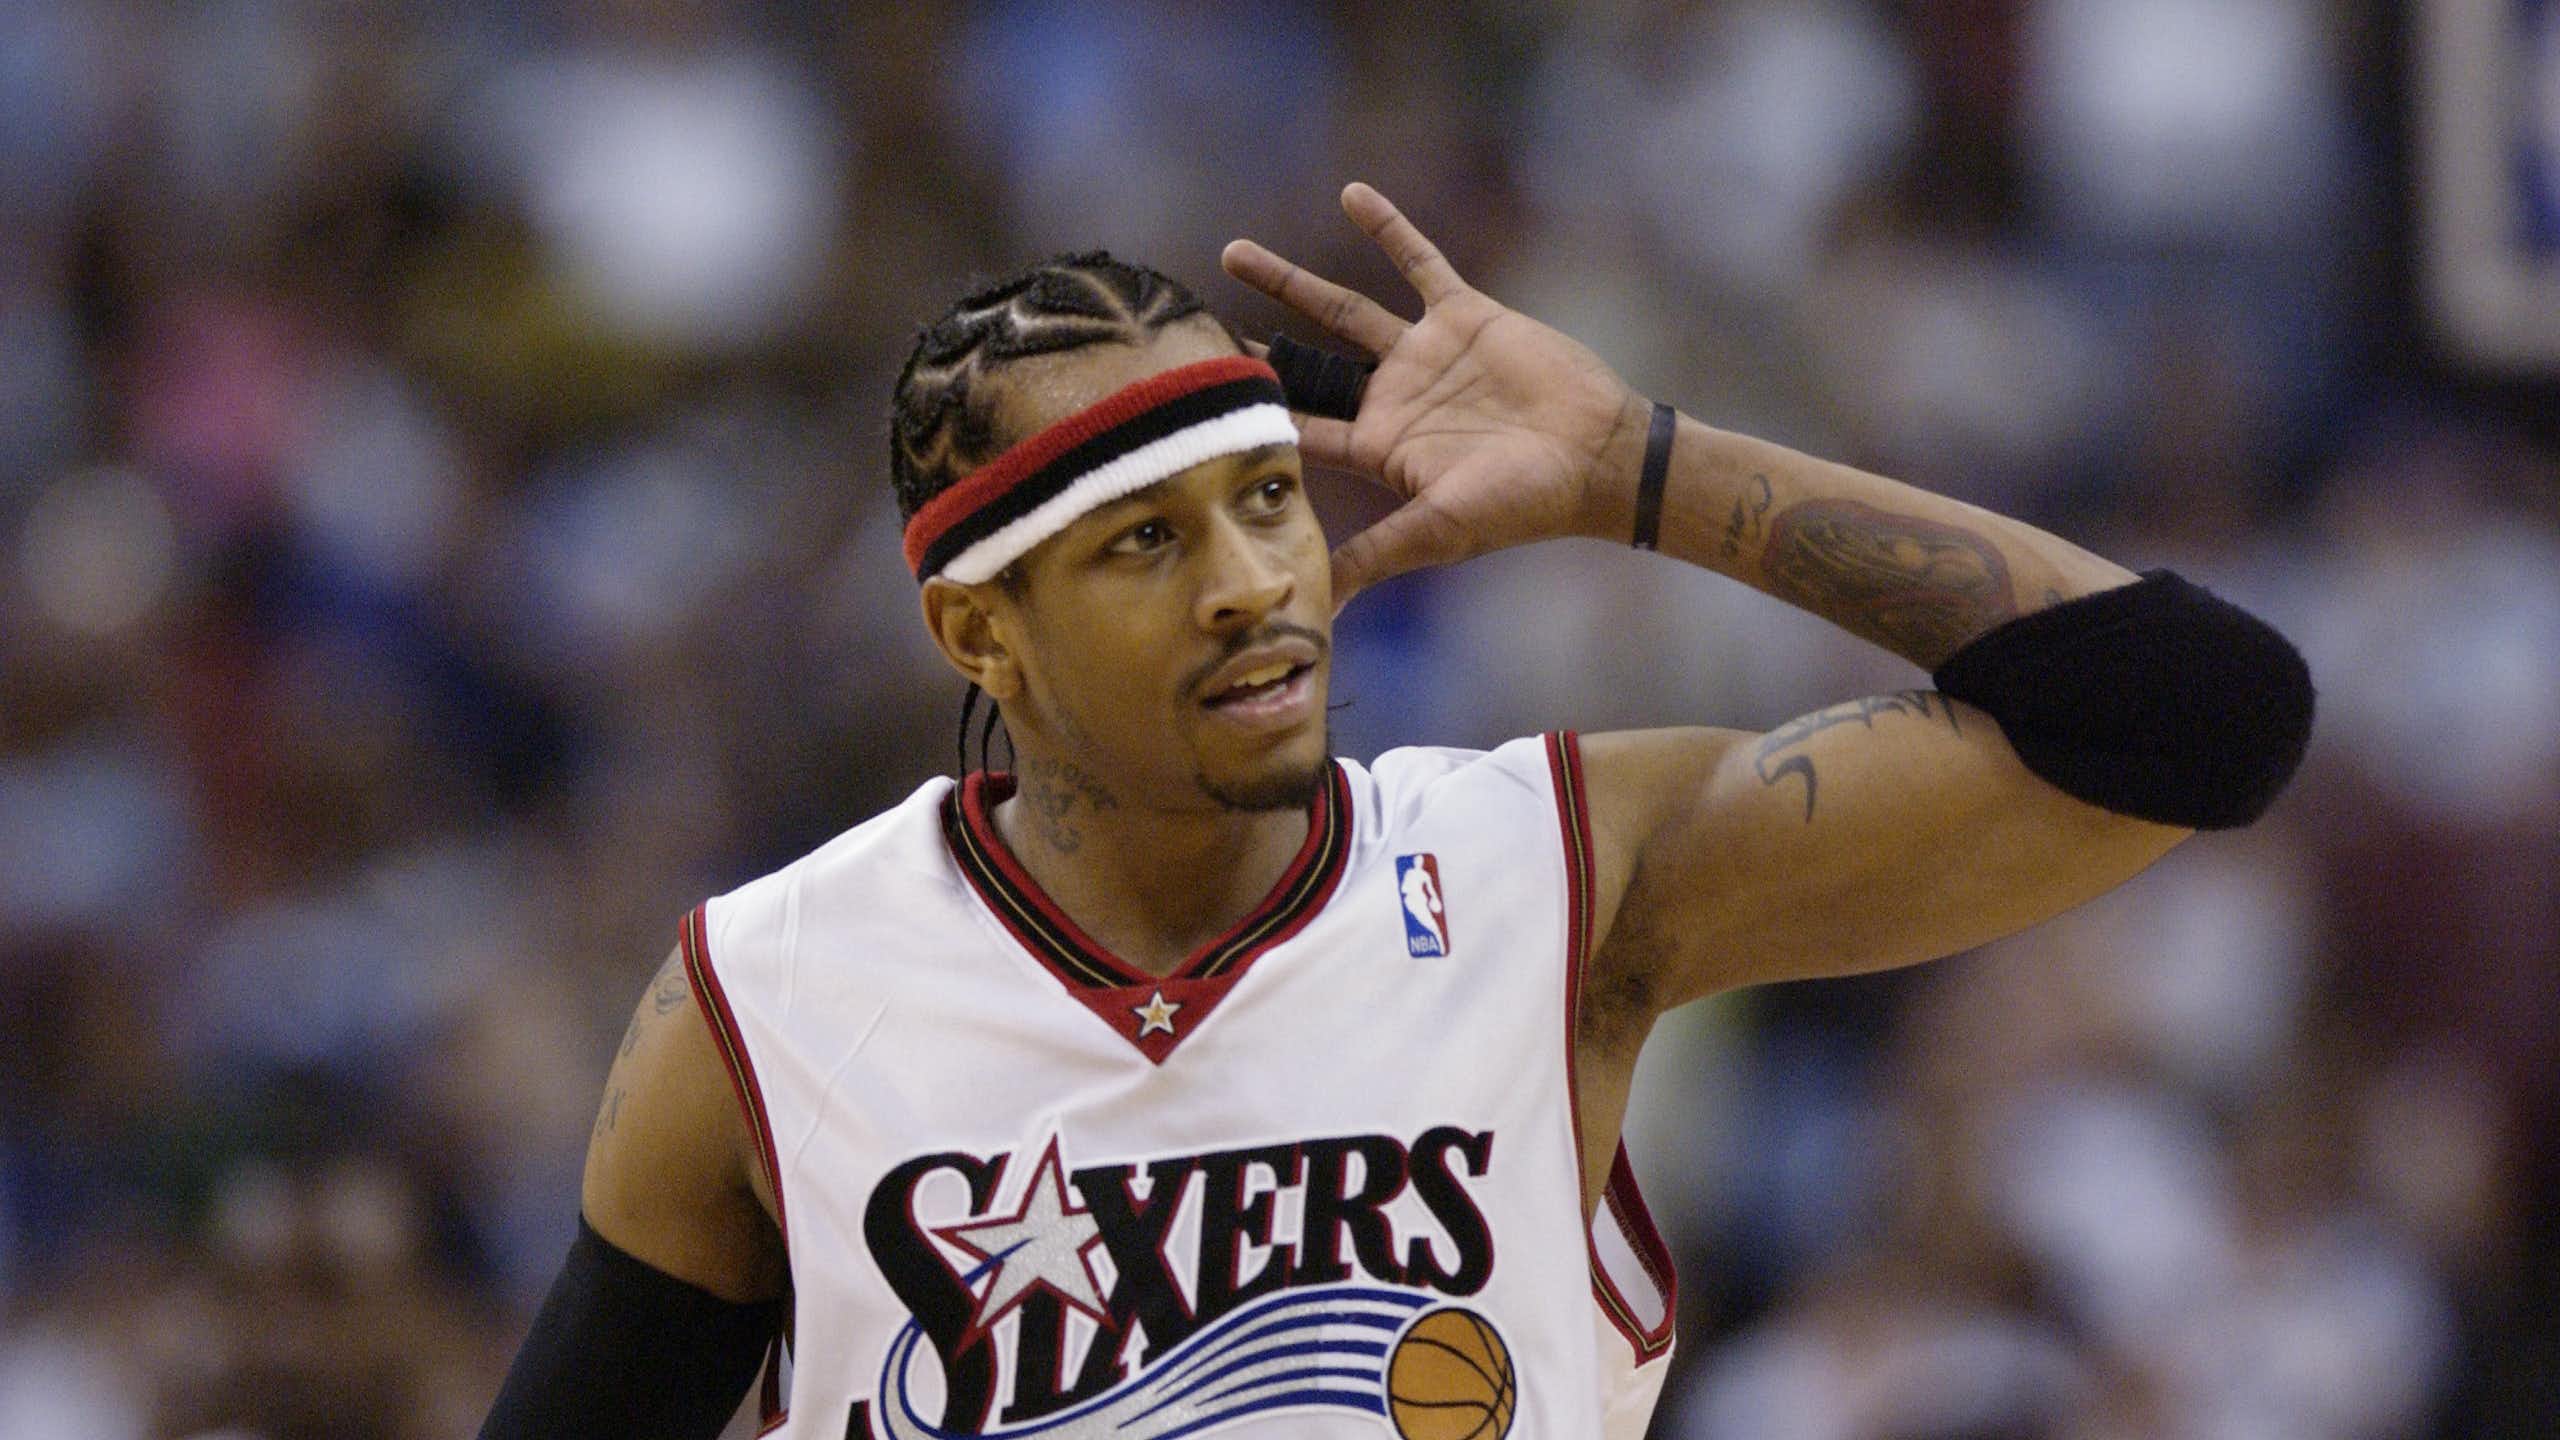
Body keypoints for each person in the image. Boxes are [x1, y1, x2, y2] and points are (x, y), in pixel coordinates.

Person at [477, 184, 2312, 1440]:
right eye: (1145, 543)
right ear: (981, 630)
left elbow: (2202, 719)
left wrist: (1643, 475)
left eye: (1271, 502)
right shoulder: (769, 994)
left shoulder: (1560, 878)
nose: (1251, 584)